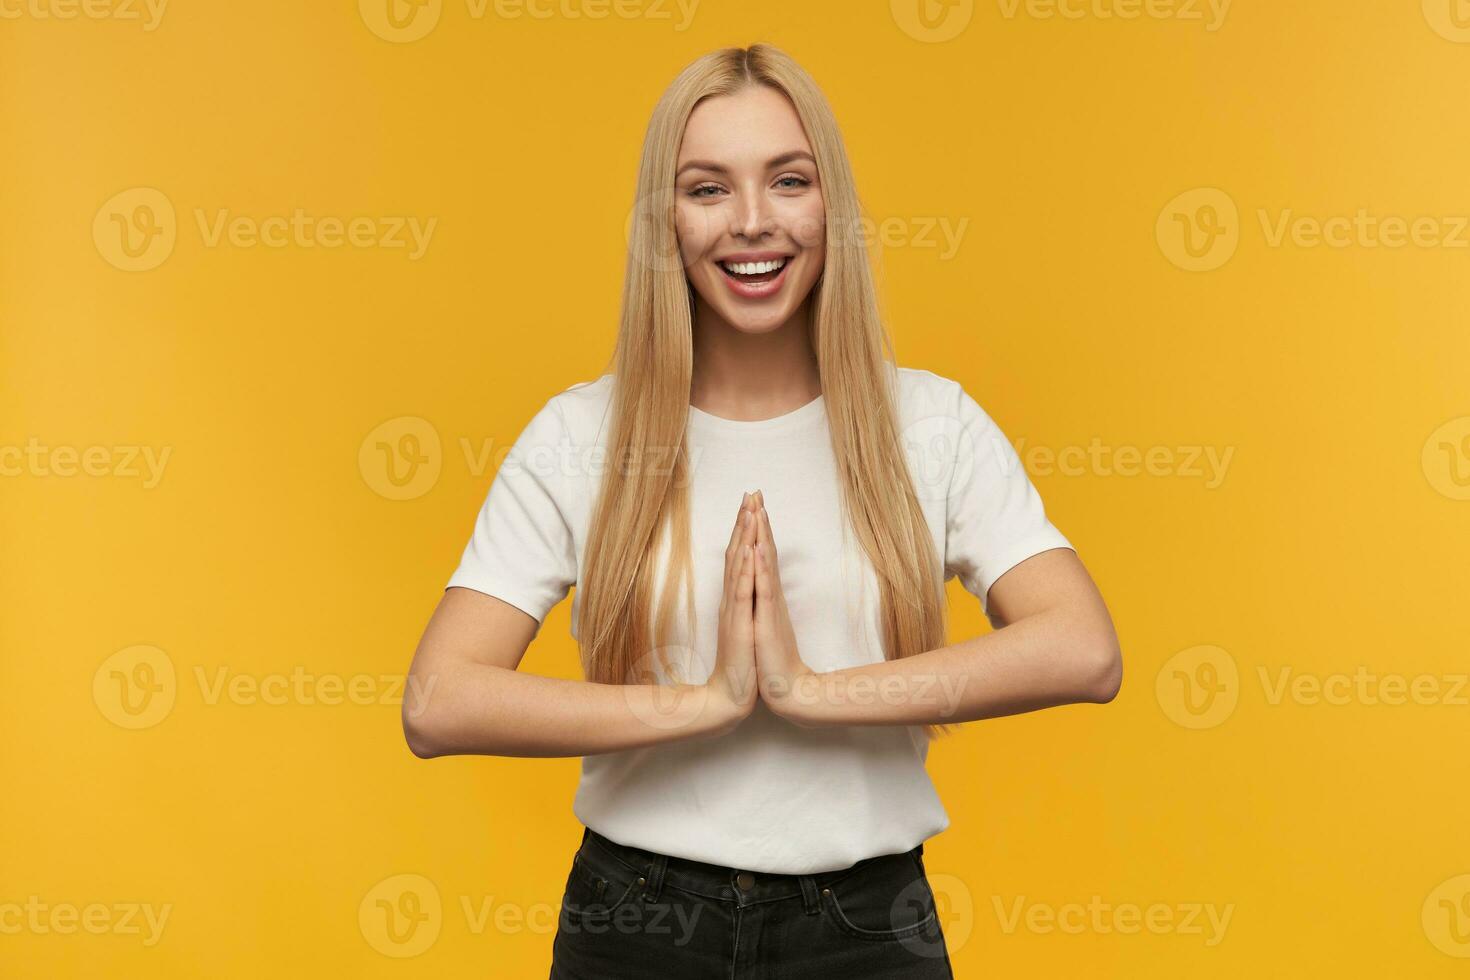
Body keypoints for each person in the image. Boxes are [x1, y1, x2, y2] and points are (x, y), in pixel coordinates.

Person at [402, 42, 1122, 979]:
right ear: (665, 220)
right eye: (707, 190)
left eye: (789, 181)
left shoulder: (930, 424)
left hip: (867, 929)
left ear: (833, 206)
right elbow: (438, 700)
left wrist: (809, 694)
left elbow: (1084, 648)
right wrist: (702, 705)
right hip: (636, 928)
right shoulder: (581, 433)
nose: (751, 223)